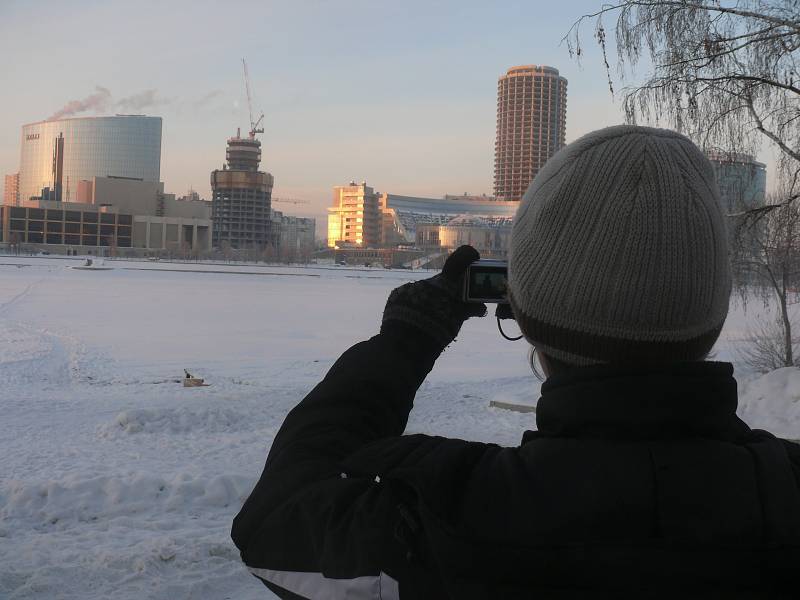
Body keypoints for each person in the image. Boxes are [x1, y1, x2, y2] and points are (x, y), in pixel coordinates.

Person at [232, 125, 800, 599]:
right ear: (712, 310)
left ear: (523, 313)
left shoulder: (448, 518)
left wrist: (404, 343)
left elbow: (275, 520)